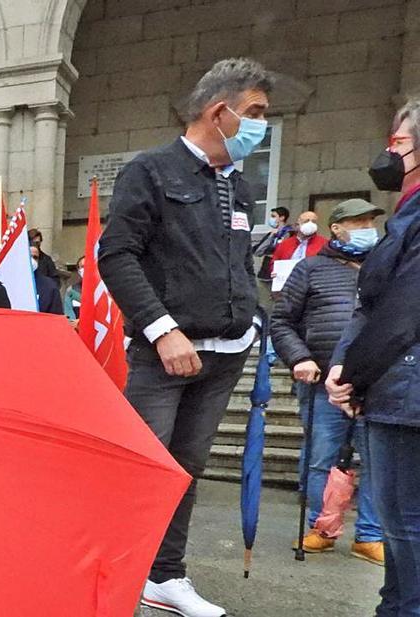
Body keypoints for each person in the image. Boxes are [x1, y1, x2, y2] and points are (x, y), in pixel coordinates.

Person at [98, 58, 272, 617]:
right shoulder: (151, 171)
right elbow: (116, 256)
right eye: (255, 113)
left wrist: (252, 320)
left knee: (185, 470)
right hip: (164, 354)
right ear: (218, 112)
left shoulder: (239, 187)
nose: (260, 126)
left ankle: (164, 575)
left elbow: (238, 262)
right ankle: (113, 572)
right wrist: (162, 329)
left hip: (224, 354)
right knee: (144, 468)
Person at [328, 98, 420, 615]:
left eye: (400, 144)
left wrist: (352, 377)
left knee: (405, 525)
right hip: (398, 389)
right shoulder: (408, 216)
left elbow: (402, 312)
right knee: (402, 528)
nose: (389, 153)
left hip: (405, 394)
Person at [272, 199, 385, 564]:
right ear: (336, 227)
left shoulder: (386, 267)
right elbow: (282, 321)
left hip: (376, 382)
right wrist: (299, 357)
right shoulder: (309, 270)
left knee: (376, 460)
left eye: (371, 219)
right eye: (359, 220)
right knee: (322, 458)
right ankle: (322, 528)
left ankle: (369, 535)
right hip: (321, 381)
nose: (368, 225)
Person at [64, 256, 86, 322]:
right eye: (83, 266)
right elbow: (69, 320)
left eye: (89, 265)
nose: (86, 269)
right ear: (79, 271)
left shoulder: (105, 290)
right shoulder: (71, 291)